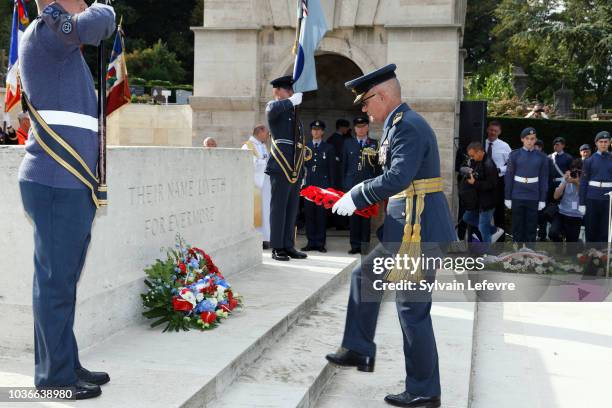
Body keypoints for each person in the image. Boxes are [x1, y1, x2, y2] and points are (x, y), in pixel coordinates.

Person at [326, 64, 456, 408]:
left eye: (366, 102)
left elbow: (399, 177)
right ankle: (359, 348)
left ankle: (425, 391)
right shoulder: (397, 125)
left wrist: (358, 194)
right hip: (408, 229)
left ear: (381, 96)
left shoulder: (407, 126)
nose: (364, 108)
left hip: (420, 231)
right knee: (365, 276)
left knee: (411, 309)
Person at [18, 0, 116, 399]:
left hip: (70, 180)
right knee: (55, 283)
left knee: (63, 283)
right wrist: (100, 7)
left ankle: (65, 361)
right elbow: (101, 22)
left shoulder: (61, 44)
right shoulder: (46, 32)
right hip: (57, 179)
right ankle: (54, 380)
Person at [265, 75, 308, 261]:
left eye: (291, 90)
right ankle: (277, 247)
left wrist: (302, 168)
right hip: (280, 165)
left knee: (292, 209)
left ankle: (289, 245)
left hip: (294, 166)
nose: (291, 93)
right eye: (288, 90)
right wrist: (290, 101)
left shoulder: (293, 114)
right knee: (279, 208)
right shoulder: (274, 107)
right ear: (277, 91)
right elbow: (272, 110)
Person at [505, 128, 549, 245]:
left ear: (535, 140)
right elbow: (509, 177)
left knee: (531, 225)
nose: (530, 141)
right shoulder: (514, 155)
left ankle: (530, 254)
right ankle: (517, 254)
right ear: (522, 139)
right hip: (517, 193)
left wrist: (542, 199)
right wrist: (507, 197)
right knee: (517, 225)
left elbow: (544, 179)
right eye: (527, 139)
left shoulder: (542, 157)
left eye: (532, 139)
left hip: (533, 195)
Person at [342, 115, 380, 254]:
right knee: (353, 217)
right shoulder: (348, 143)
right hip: (351, 185)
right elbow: (344, 166)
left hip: (367, 185)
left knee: (366, 217)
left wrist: (377, 185)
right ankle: (354, 245)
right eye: (358, 127)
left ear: (367, 127)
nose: (361, 129)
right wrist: (343, 186)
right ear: (354, 129)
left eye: (363, 126)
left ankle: (364, 246)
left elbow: (378, 167)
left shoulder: (374, 144)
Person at [460, 142, 503, 244]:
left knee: (483, 228)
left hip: (488, 202)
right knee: (467, 217)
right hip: (478, 201)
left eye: (472, 155)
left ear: (479, 152)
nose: (471, 158)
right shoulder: (477, 160)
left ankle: (487, 254)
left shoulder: (489, 165)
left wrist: (475, 183)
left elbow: (491, 185)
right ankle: (494, 230)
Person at [302, 120, 335, 252]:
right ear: (311, 131)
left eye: (318, 129)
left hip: (323, 187)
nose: (316, 132)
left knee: (321, 215)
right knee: (309, 215)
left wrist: (331, 188)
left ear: (322, 132)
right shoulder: (306, 147)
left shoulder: (329, 148)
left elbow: (332, 169)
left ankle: (320, 243)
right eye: (314, 129)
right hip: (309, 186)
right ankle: (311, 242)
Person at [242, 125, 272, 249]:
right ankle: (257, 238)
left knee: (266, 211)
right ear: (259, 132)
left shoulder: (263, 146)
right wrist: (263, 162)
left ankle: (265, 238)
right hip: (255, 185)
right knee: (257, 212)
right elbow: (249, 164)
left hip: (265, 185)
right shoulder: (247, 146)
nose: (268, 136)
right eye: (267, 133)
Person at [579, 131, 612, 243]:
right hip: (592, 198)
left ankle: (603, 256)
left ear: (610, 143)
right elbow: (583, 183)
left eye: (606, 142)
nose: (603, 144)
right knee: (591, 228)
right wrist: (582, 203)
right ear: (596, 143)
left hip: (608, 198)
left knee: (605, 229)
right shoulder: (589, 161)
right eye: (601, 142)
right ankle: (590, 256)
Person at [484, 121, 511, 241]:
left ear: (499, 132)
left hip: (498, 182)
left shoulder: (504, 146)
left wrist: (500, 169)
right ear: (487, 130)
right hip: (483, 182)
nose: (493, 133)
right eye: (491, 130)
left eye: (495, 131)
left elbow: (512, 164)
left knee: (498, 212)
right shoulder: (481, 143)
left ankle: (500, 243)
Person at [326, 118, 352, 230]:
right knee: (340, 198)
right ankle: (339, 223)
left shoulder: (332, 138)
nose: (347, 129)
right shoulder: (339, 139)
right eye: (346, 127)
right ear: (341, 127)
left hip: (335, 175)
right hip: (339, 175)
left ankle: (336, 222)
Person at [549, 159, 583, 243]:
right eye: (574, 171)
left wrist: (577, 183)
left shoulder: (585, 181)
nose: (576, 174)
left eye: (579, 172)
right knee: (553, 233)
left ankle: (577, 242)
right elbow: (556, 196)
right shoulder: (567, 179)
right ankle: (559, 247)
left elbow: (582, 198)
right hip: (562, 213)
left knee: (571, 249)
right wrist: (564, 181)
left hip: (576, 216)